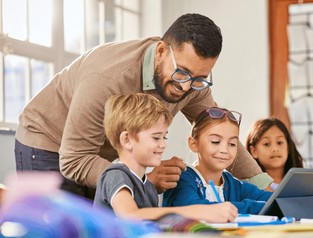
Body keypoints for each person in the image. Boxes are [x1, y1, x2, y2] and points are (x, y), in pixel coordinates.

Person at [14, 13, 272, 200]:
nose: (186, 87)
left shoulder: (193, 84)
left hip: (98, 154)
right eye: (181, 73)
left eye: (200, 78)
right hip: (49, 143)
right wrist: (144, 179)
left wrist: (270, 188)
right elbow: (75, 159)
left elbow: (221, 132)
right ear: (161, 51)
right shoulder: (108, 77)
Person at [93, 93, 238, 223]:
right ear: (127, 139)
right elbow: (131, 215)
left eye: (164, 137)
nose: (163, 144)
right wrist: (197, 211)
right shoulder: (115, 175)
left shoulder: (147, 186)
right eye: (156, 137)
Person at [162, 107, 273, 215]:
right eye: (215, 142)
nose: (225, 150)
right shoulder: (182, 178)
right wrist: (252, 206)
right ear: (193, 143)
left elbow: (275, 199)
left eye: (232, 144)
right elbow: (193, 208)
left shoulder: (233, 184)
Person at [245, 118, 304, 190]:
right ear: (254, 151)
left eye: (279, 142)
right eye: (266, 144)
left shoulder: (302, 184)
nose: (275, 149)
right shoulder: (249, 187)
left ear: (288, 147)